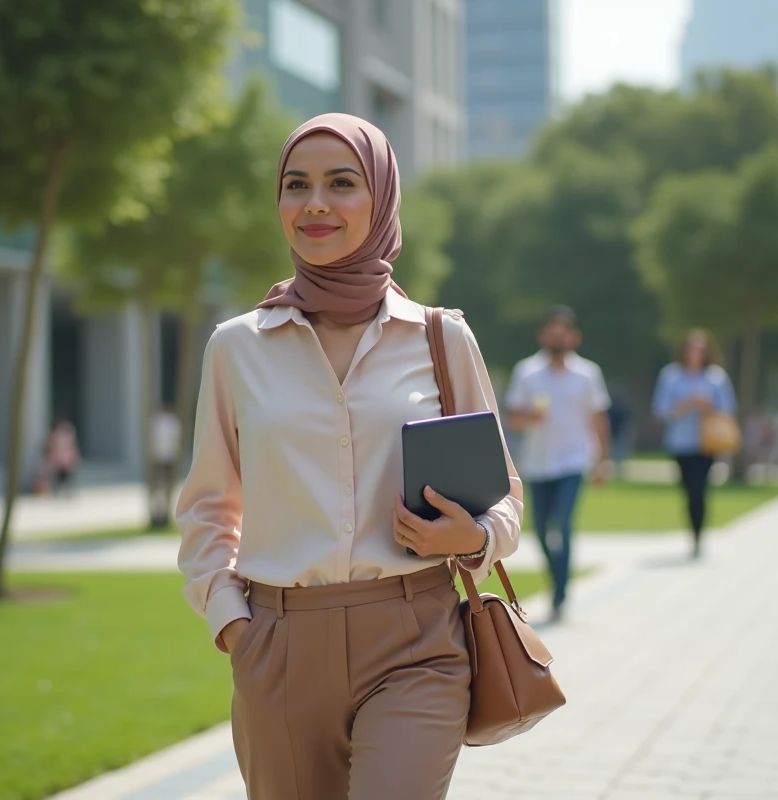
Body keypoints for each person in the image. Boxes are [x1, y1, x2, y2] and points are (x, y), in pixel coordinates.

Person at [175, 114, 523, 800]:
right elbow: (209, 506)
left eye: (342, 183)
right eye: (295, 185)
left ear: (383, 197)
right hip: (276, 646)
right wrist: (233, 626)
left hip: (416, 642)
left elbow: (506, 495)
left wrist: (477, 536)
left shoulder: (441, 339)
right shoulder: (236, 348)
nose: (315, 205)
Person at [505, 306, 610, 621]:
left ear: (574, 337)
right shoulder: (527, 372)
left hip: (573, 461)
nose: (557, 338)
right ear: (543, 335)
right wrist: (530, 418)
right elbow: (513, 419)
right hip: (538, 464)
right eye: (552, 332)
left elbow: (597, 418)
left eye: (563, 333)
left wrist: (603, 461)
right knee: (539, 531)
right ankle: (557, 581)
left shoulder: (588, 374)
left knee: (562, 526)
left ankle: (561, 594)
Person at [651, 330, 737, 559]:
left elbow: (728, 409)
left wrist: (707, 406)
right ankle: (694, 529)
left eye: (700, 349)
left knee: (700, 490)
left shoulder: (715, 377)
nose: (695, 353)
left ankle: (698, 536)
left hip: (706, 443)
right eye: (692, 348)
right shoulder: (671, 376)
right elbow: (660, 410)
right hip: (680, 443)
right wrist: (686, 404)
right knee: (688, 490)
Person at [149, 404, 182, 528]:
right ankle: (160, 511)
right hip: (164, 457)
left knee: (162, 485)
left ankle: (163, 511)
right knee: (161, 485)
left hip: (163, 457)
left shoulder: (162, 423)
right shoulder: (171, 423)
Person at [43, 415, 81, 496]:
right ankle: (63, 491)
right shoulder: (67, 432)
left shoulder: (56, 433)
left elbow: (49, 446)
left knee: (61, 477)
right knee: (64, 477)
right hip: (64, 458)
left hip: (60, 458)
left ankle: (60, 491)